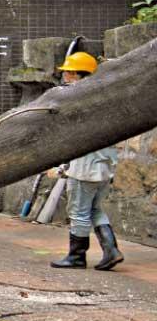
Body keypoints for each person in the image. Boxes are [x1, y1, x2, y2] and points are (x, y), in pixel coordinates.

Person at [50, 52, 123, 271]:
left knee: (79, 212)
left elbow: (72, 138)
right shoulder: (105, 99)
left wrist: (64, 166)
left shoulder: (78, 101)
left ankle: (76, 256)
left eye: (69, 73)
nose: (66, 77)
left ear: (77, 74)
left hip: (85, 167)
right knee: (95, 209)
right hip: (104, 166)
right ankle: (111, 250)